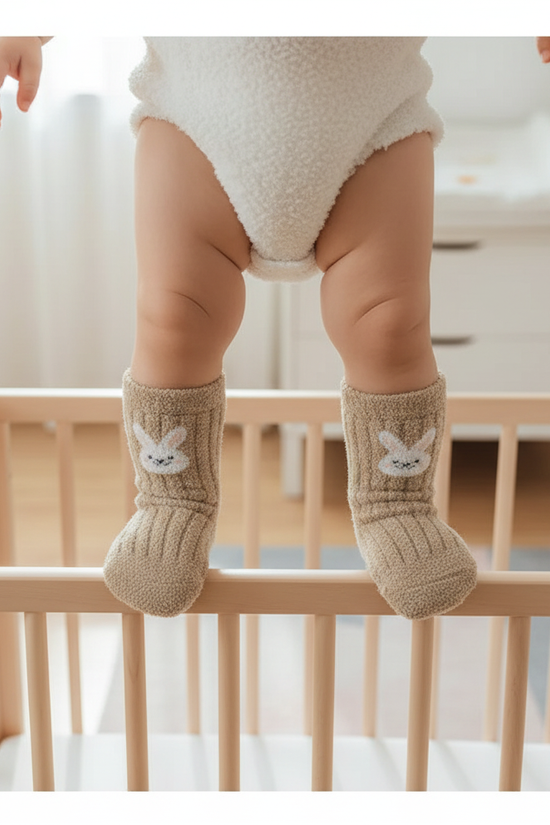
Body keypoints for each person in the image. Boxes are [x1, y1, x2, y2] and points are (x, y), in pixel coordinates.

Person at [1, 36, 549, 620]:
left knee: (389, 325)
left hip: (373, 114)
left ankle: (396, 503)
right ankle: (171, 501)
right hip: (197, 108)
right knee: (173, 316)